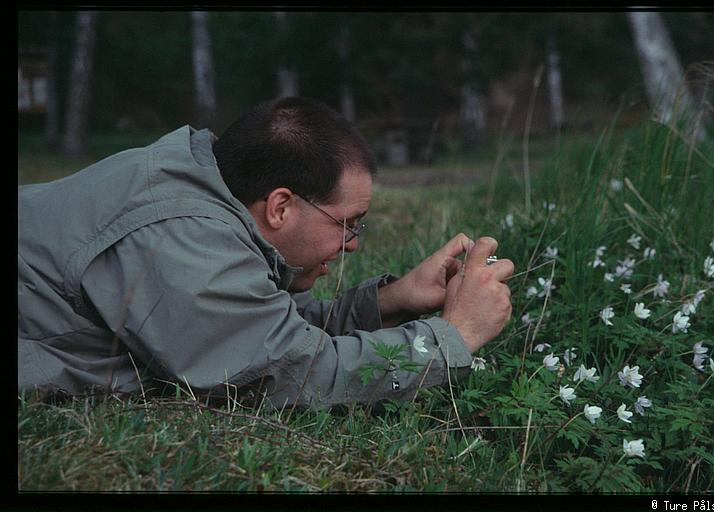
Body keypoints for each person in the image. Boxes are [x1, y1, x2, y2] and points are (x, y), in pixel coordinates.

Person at [18, 96, 514, 409]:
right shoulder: (185, 241)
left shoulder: (204, 189)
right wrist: (454, 336)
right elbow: (287, 373)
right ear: (280, 207)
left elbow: (261, 325)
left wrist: (390, 302)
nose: (355, 242)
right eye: (348, 223)